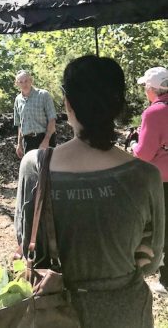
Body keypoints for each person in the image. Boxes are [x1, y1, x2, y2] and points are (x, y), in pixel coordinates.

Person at [15, 55, 164, 328]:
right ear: (119, 105)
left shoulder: (36, 166)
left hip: (56, 312)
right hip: (127, 313)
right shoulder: (146, 176)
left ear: (68, 103)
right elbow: (152, 261)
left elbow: (27, 245)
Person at [131, 66, 168, 293]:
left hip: (161, 182)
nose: (145, 89)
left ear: (153, 89)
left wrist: (134, 143)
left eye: (146, 86)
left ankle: (166, 280)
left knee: (163, 229)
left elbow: (143, 154)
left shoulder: (153, 113)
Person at [14, 70, 56, 159]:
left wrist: (46, 140)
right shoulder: (18, 100)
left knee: (49, 170)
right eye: (20, 82)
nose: (24, 84)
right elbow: (20, 124)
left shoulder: (44, 95)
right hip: (28, 142)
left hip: (45, 138)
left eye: (26, 81)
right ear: (17, 84)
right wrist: (19, 144)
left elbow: (52, 119)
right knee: (32, 171)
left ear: (31, 80)